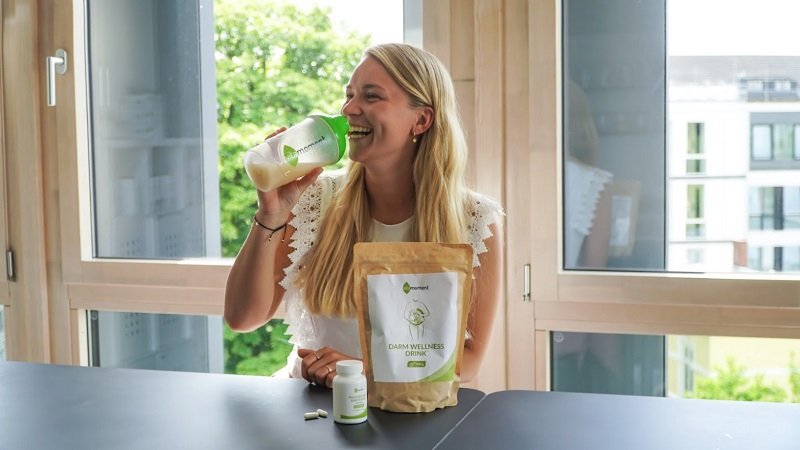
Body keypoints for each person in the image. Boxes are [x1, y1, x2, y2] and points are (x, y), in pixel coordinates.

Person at [224, 43, 504, 388]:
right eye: (349, 95)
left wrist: (362, 371)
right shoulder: (316, 200)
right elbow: (242, 318)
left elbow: (470, 361)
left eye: (371, 96)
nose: (348, 109)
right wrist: (271, 213)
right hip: (312, 405)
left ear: (421, 120)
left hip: (404, 409)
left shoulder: (475, 220)